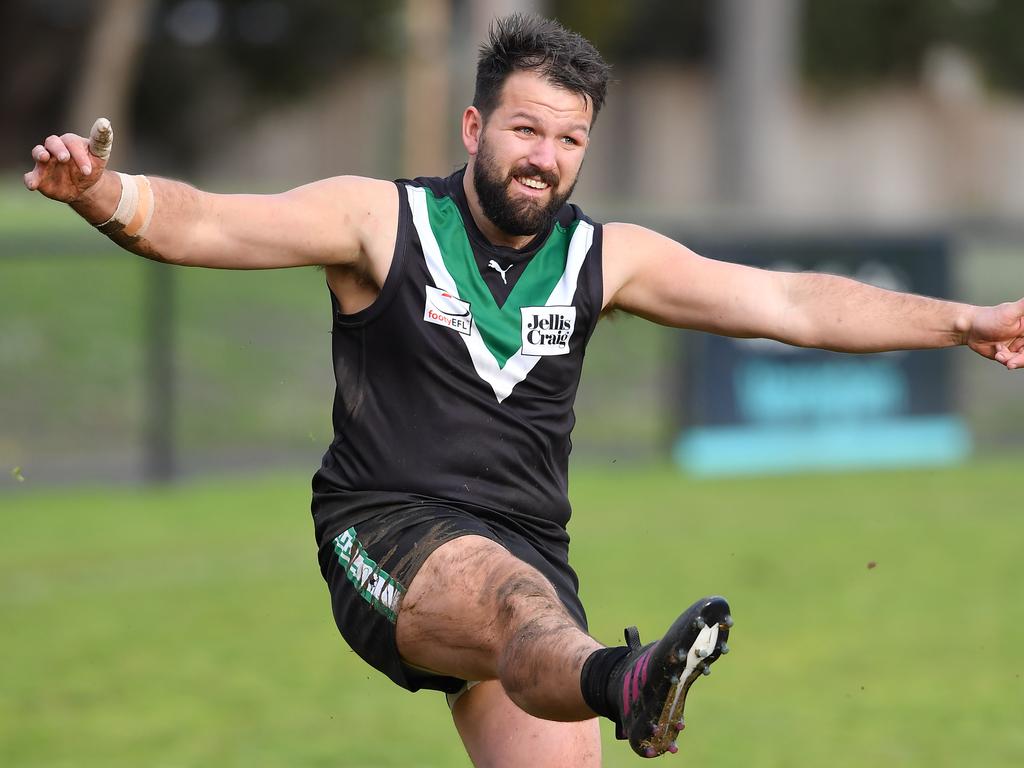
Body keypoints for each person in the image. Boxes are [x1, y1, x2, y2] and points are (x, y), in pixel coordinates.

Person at [23, 13, 1024, 766]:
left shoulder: (605, 257)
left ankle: (614, 679)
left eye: (569, 139)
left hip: (528, 553)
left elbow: (787, 303)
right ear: (472, 125)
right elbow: (206, 225)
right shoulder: (382, 223)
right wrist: (105, 194)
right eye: (525, 129)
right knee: (520, 612)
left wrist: (963, 321)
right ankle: (626, 680)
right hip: (385, 533)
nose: (544, 158)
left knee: (523, 607)